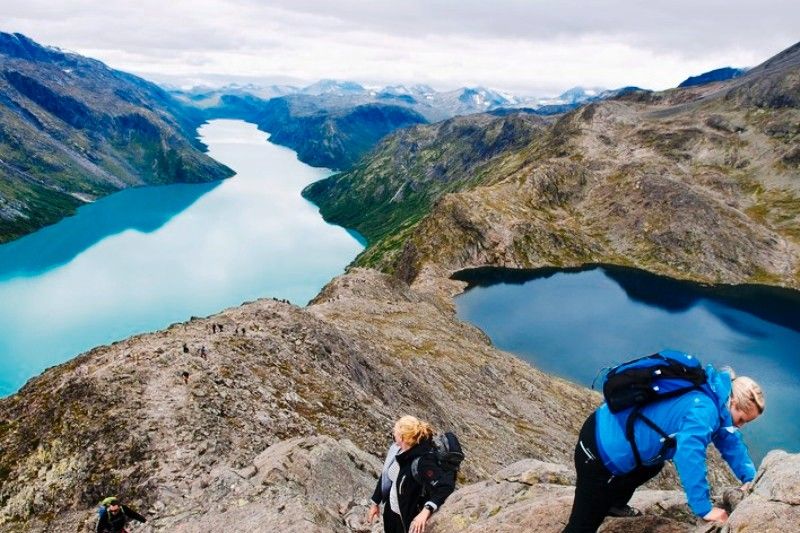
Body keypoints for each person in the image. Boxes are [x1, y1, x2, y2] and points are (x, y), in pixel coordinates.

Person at [563, 359, 765, 532]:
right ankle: (601, 506)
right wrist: (705, 509)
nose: (740, 425)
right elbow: (689, 456)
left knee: (654, 464)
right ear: (733, 404)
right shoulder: (704, 410)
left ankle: (614, 505)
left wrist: (750, 478)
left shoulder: (713, 393)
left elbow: (730, 441)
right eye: (741, 419)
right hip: (598, 452)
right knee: (583, 526)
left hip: (604, 431)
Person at [367, 416, 456, 533]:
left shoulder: (423, 461)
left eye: (396, 431)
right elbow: (386, 475)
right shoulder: (397, 449)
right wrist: (375, 502)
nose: (393, 432)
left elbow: (445, 486)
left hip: (407, 518)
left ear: (403, 437)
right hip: (392, 512)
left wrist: (426, 510)